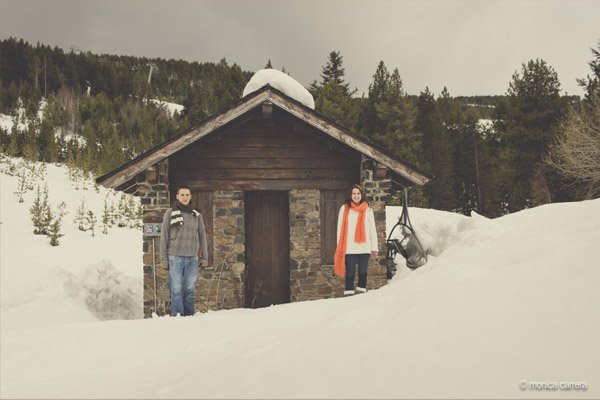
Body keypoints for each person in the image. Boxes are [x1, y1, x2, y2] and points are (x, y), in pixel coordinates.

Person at [160, 185, 208, 316]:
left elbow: (202, 236)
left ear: (190, 196)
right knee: (176, 289)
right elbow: (164, 236)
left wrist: (205, 257)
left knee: (189, 289)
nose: (185, 197)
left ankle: (189, 316)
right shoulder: (170, 213)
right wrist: (163, 258)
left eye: (187, 195)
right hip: (175, 257)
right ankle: (178, 317)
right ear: (177, 196)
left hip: (192, 258)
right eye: (182, 195)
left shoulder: (196, 214)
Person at [334, 184, 378, 295]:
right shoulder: (344, 208)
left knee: (363, 273)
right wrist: (339, 245)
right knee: (350, 274)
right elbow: (339, 228)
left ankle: (361, 297)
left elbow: (372, 229)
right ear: (350, 195)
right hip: (349, 248)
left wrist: (374, 247)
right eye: (354, 193)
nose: (356, 195)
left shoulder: (368, 209)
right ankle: (348, 297)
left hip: (364, 247)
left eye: (358, 193)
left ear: (362, 195)